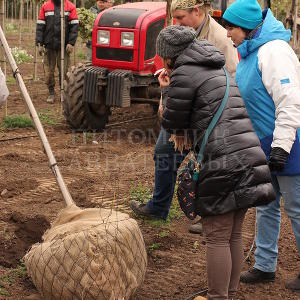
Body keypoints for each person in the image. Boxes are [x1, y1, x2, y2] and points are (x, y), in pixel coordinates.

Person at [156, 25, 275, 300]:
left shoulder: (184, 72)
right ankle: (228, 295)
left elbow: (172, 122)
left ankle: (218, 296)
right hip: (247, 157)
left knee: (217, 237)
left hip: (223, 163)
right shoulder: (215, 65)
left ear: (169, 55)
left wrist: (165, 91)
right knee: (232, 233)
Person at [129, 0, 238, 234]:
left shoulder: (220, 38)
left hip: (207, 115)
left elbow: (230, 77)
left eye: (179, 17)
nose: (175, 22)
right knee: (164, 152)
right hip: (182, 107)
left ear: (196, 12)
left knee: (210, 163)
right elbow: (172, 72)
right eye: (173, 18)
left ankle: (209, 214)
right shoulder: (178, 35)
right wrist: (165, 97)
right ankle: (158, 207)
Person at [222, 0, 300, 291]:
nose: (227, 33)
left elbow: (290, 101)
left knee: (297, 206)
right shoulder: (249, 52)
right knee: (266, 204)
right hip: (263, 143)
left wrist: (281, 147)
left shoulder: (275, 52)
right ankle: (265, 265)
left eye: (231, 27)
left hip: (290, 141)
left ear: (246, 26)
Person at [36, 0, 79, 103]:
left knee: (64, 71)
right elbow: (40, 26)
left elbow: (74, 26)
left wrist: (71, 42)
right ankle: (51, 93)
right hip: (49, 45)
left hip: (64, 46)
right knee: (48, 72)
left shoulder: (70, 6)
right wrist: (39, 43)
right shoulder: (45, 6)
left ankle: (63, 92)